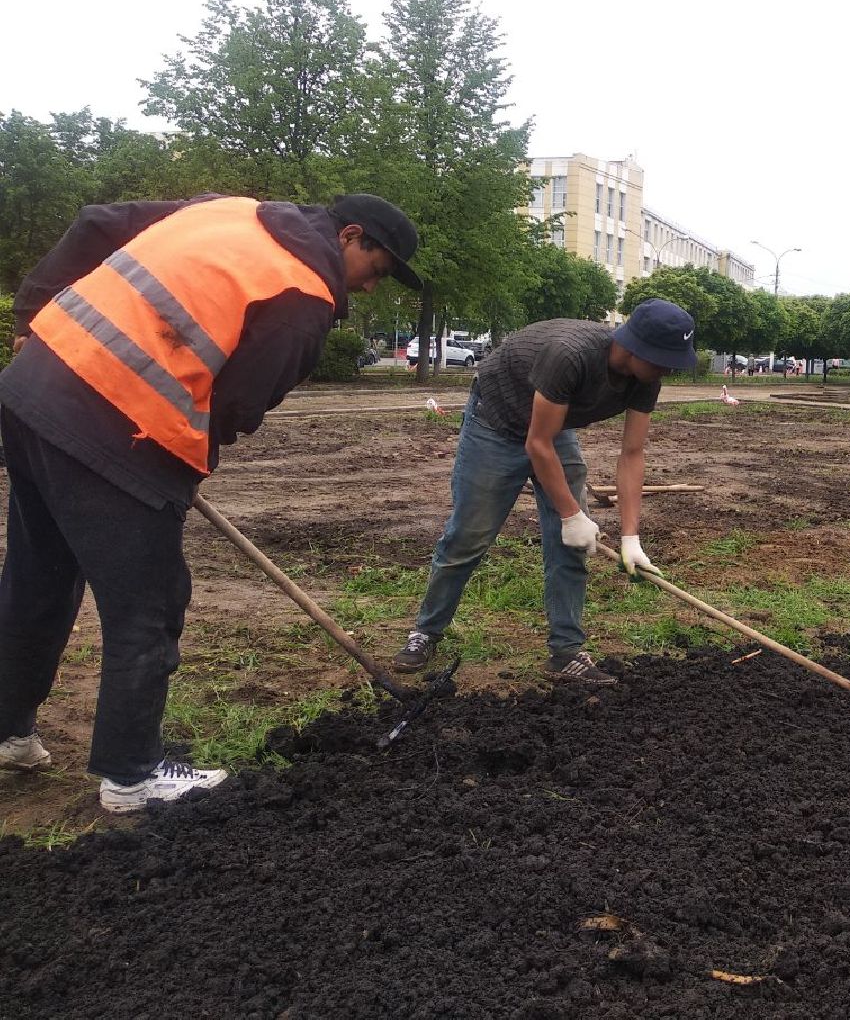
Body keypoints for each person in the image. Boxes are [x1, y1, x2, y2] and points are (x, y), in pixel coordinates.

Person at [0, 193, 422, 812]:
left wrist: (32, 318)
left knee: (40, 575)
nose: (369, 289)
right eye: (376, 270)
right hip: (115, 423)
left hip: (32, 390)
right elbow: (234, 408)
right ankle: (133, 774)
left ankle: (7, 733)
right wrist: (177, 474)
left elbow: (95, 223)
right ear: (350, 236)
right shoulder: (305, 298)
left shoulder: (232, 211)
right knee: (150, 600)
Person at [392, 298, 697, 686]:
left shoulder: (646, 378)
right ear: (633, 343)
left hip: (552, 427)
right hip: (496, 422)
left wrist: (630, 536)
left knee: (570, 546)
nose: (666, 369)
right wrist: (570, 514)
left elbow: (632, 452)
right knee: (469, 536)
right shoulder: (570, 354)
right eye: (661, 359)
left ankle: (566, 653)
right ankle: (426, 633)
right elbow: (537, 444)